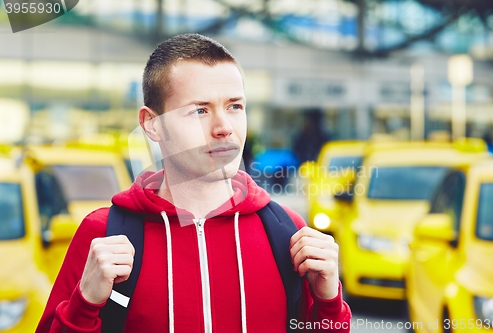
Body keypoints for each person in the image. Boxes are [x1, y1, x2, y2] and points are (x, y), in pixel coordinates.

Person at [36, 34, 351, 333]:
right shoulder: (104, 234)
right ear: (152, 124)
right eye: (200, 110)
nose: (224, 128)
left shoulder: (285, 230)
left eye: (235, 106)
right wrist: (85, 303)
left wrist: (329, 301)